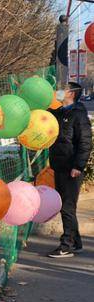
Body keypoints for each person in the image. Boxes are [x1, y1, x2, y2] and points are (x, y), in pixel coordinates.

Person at [48, 82, 92, 258]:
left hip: (71, 169)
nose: (59, 91)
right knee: (67, 207)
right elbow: (46, 114)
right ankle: (76, 242)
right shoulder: (61, 112)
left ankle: (66, 245)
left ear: (72, 93)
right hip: (60, 166)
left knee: (67, 207)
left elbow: (85, 143)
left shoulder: (78, 115)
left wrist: (78, 167)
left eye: (63, 89)